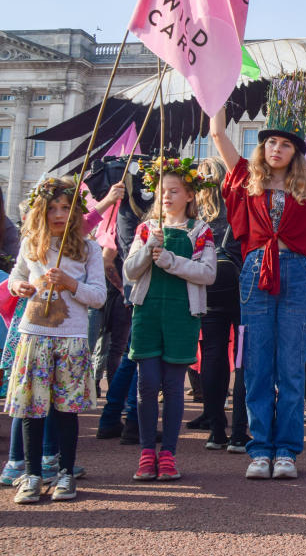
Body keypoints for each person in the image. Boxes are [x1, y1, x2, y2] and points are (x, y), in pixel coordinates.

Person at [209, 75, 306, 480]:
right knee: (256, 364)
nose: (277, 148)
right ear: (262, 147)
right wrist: (217, 87)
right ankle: (259, 449)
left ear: (295, 153)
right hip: (255, 271)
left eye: (286, 144)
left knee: (291, 363)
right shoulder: (243, 177)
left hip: (292, 270)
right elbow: (217, 132)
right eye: (271, 142)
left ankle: (286, 449)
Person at [5, 178, 106, 503]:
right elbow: (18, 276)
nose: (59, 214)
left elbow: (99, 297)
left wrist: (71, 285)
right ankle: (31, 474)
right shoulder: (31, 243)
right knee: (32, 410)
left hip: (71, 338)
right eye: (52, 209)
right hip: (34, 335)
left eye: (66, 208)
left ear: (76, 212)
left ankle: (64, 472)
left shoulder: (89, 248)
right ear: (41, 211)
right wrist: (17, 287)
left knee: (66, 410)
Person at [124, 158, 217, 480]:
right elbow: (130, 271)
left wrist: (170, 260)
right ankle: (146, 452)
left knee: (174, 387)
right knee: (147, 384)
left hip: (182, 316)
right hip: (147, 313)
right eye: (162, 191)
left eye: (174, 191)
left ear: (190, 195)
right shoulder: (146, 229)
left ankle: (169, 455)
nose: (166, 196)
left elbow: (207, 274)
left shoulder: (201, 231)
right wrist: (149, 246)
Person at [193, 158, 243, 450]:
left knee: (212, 353)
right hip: (237, 280)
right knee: (243, 354)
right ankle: (240, 429)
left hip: (207, 282)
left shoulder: (196, 211)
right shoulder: (234, 203)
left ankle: (215, 429)